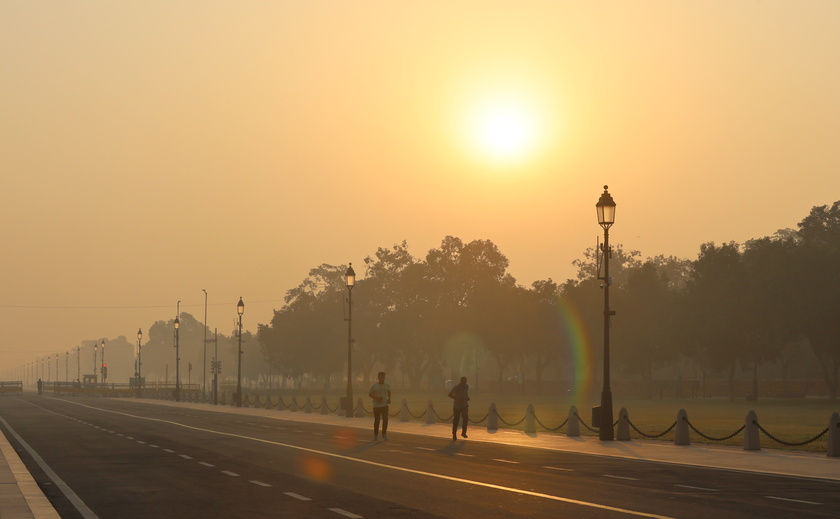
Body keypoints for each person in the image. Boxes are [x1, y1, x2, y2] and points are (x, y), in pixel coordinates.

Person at [368, 371, 391, 440]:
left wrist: (389, 399)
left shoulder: (387, 385)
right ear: (378, 378)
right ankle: (375, 435)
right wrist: (377, 398)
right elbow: (370, 394)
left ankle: (384, 434)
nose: (382, 378)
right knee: (377, 420)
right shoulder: (374, 386)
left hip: (384, 405)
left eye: (383, 377)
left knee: (385, 419)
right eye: (381, 377)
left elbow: (389, 392)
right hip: (377, 406)